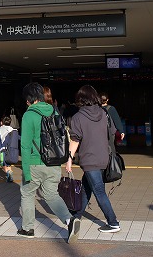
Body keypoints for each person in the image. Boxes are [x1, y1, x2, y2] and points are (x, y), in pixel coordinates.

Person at [17, 82, 72, 239]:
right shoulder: (54, 112)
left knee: (27, 193)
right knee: (52, 195)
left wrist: (26, 171)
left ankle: (28, 229)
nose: (26, 103)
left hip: (35, 163)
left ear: (31, 99)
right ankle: (69, 220)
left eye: (26, 100)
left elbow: (25, 146)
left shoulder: (29, 115)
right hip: (54, 163)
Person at [66, 84, 120, 240]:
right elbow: (112, 132)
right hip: (104, 157)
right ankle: (77, 216)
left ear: (80, 99)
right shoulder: (104, 113)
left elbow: (75, 140)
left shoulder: (77, 117)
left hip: (89, 159)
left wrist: (69, 159)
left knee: (99, 191)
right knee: (86, 188)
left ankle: (113, 222)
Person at [0, 115, 17, 182]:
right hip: (11, 150)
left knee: (2, 163)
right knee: (8, 163)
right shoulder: (12, 130)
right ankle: (9, 173)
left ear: (2, 122)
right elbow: (17, 137)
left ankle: (8, 173)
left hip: (2, 150)